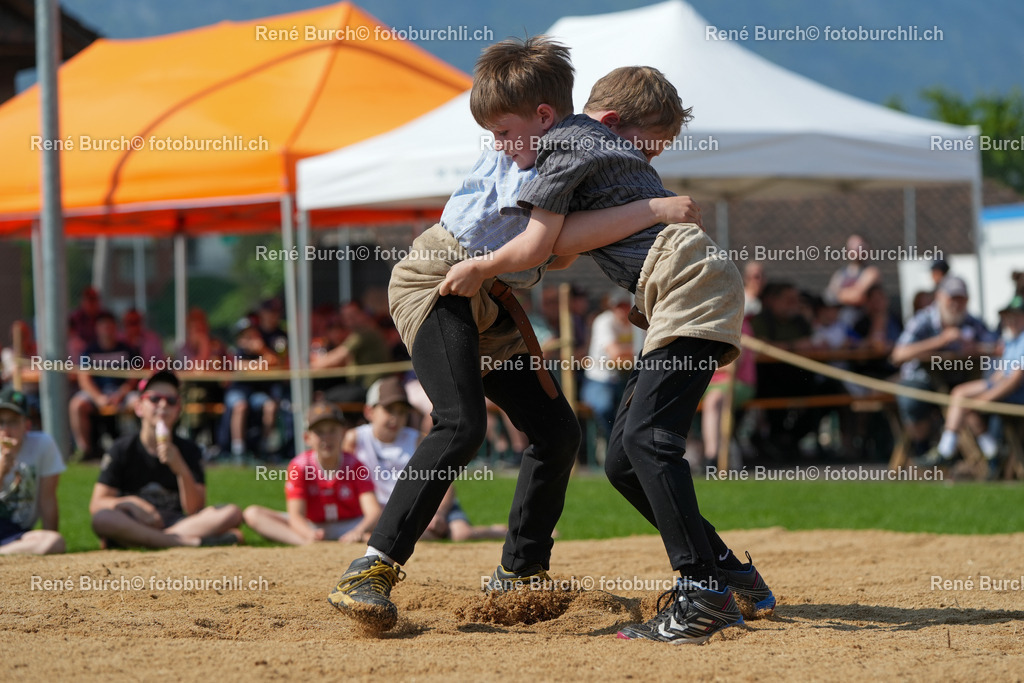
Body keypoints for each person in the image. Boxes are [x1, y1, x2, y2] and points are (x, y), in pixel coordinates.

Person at [326, 43, 705, 634]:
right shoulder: (551, 151)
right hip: (439, 281)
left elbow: (560, 249)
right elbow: (543, 245)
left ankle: (520, 572)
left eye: (502, 131)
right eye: (495, 134)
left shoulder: (563, 151)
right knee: (461, 423)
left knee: (557, 432)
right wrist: (654, 207)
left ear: (544, 116)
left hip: (488, 294)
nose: (498, 143)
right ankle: (370, 568)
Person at [436, 57, 774, 642]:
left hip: (687, 282)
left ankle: (703, 595)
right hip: (688, 284)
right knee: (623, 461)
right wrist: (649, 209)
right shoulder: (581, 143)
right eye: (648, 148)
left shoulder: (568, 143)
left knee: (647, 441)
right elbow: (562, 247)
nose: (643, 163)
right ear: (614, 122)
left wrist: (483, 265)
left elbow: (540, 244)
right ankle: (729, 574)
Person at [90, 369, 243, 548]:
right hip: (135, 521)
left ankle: (155, 540)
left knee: (231, 512)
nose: (163, 405)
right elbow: (97, 504)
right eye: (154, 399)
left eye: (171, 400)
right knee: (102, 518)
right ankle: (182, 542)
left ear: (178, 409)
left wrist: (181, 469)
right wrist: (132, 503)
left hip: (177, 524)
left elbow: (194, 509)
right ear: (139, 406)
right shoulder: (122, 448)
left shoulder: (189, 450)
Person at [346, 376, 505, 542]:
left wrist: (439, 513)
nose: (395, 418)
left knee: (461, 534)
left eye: (402, 412)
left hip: (426, 504)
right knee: (405, 534)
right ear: (369, 411)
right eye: (389, 410)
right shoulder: (356, 439)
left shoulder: (416, 440)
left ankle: (494, 531)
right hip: (383, 510)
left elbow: (444, 481)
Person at [243, 402, 380, 545]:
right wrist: (309, 533)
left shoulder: (355, 465)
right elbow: (296, 515)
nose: (327, 438)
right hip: (312, 525)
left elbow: (373, 511)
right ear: (307, 438)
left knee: (383, 522)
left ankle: (317, 541)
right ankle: (307, 542)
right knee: (253, 513)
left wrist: (358, 531)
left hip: (350, 524)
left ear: (343, 433)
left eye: (332, 430)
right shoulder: (299, 466)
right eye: (319, 432)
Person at [892, 276, 996, 454]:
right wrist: (940, 341)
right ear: (939, 297)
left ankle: (961, 453)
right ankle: (923, 449)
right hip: (923, 378)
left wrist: (976, 348)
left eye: (961, 299)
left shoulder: (972, 321)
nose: (956, 304)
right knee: (912, 399)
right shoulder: (922, 320)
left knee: (976, 398)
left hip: (960, 380)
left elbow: (997, 347)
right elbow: (898, 355)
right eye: (952, 298)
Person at [921, 295, 1024, 467]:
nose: (1011, 320)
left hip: (1017, 395)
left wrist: (985, 399)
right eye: (1008, 316)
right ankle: (991, 452)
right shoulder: (1011, 340)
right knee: (962, 398)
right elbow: (1001, 374)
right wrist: (983, 395)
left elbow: (1014, 381)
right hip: (1007, 391)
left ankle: (948, 450)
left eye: (1016, 316)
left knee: (964, 399)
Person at [0, 385, 65, 555]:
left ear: (27, 425)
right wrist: (2, 471)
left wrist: (54, 555)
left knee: (54, 542)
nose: (6, 429)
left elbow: (47, 499)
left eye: (13, 421)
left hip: (16, 533)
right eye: (1, 422)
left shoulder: (43, 445)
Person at [69, 311, 140, 460]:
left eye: (110, 327)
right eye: (103, 327)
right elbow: (84, 380)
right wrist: (99, 398)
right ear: (97, 329)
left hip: (122, 394)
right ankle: (86, 451)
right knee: (76, 405)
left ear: (115, 328)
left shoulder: (127, 350)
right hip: (97, 394)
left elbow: (134, 378)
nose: (107, 331)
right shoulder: (89, 351)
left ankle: (140, 447)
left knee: (140, 404)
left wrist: (120, 394)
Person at [580, 291, 634, 441]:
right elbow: (616, 354)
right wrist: (635, 350)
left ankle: (622, 444)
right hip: (599, 380)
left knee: (639, 408)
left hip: (625, 378)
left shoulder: (637, 320)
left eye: (626, 306)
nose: (622, 310)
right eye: (619, 306)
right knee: (604, 408)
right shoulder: (603, 321)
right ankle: (611, 442)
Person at [824, 234, 881, 329]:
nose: (857, 250)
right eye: (853, 246)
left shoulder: (871, 272)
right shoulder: (840, 273)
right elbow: (829, 296)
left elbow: (857, 297)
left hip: (864, 325)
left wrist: (839, 294)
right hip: (840, 325)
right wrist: (849, 293)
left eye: (860, 247)